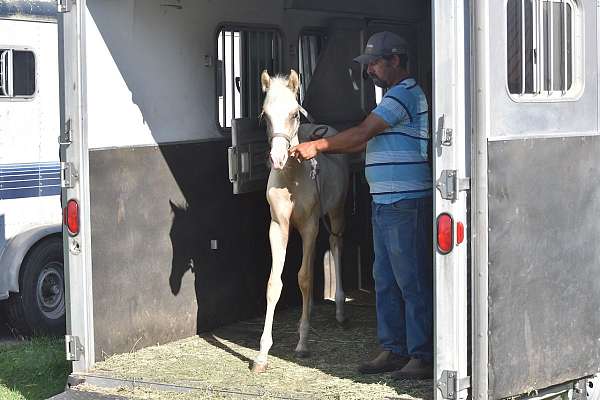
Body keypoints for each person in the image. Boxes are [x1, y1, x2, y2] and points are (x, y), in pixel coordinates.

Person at [289, 31, 433, 379]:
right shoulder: (390, 100)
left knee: (410, 280)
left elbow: (360, 135)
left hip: (405, 201)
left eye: (375, 63)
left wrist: (317, 146)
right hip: (386, 201)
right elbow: (360, 139)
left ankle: (422, 355)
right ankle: (394, 348)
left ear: (395, 61)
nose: (369, 71)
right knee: (385, 278)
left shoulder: (404, 95)